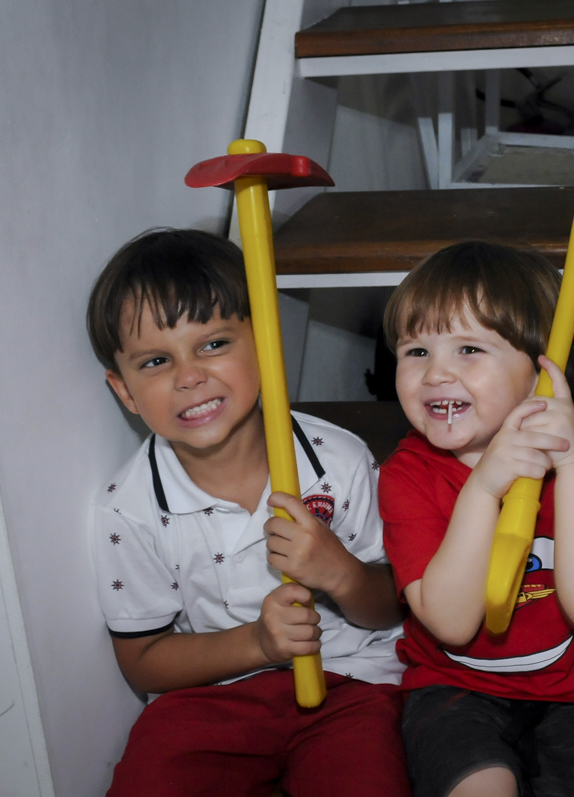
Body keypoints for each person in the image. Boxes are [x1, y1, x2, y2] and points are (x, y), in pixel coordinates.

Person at [87, 229, 410, 797]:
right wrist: (258, 643)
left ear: (265, 343)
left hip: (348, 685)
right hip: (209, 697)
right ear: (125, 392)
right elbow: (142, 660)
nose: (190, 376)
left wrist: (341, 573)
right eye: (157, 360)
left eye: (213, 344)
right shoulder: (130, 509)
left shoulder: (338, 460)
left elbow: (390, 608)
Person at [378, 241, 574, 797]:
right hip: (454, 690)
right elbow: (450, 622)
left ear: (542, 373)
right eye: (416, 352)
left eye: (469, 349)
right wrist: (485, 488)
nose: (436, 373)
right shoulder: (407, 477)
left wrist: (571, 464)